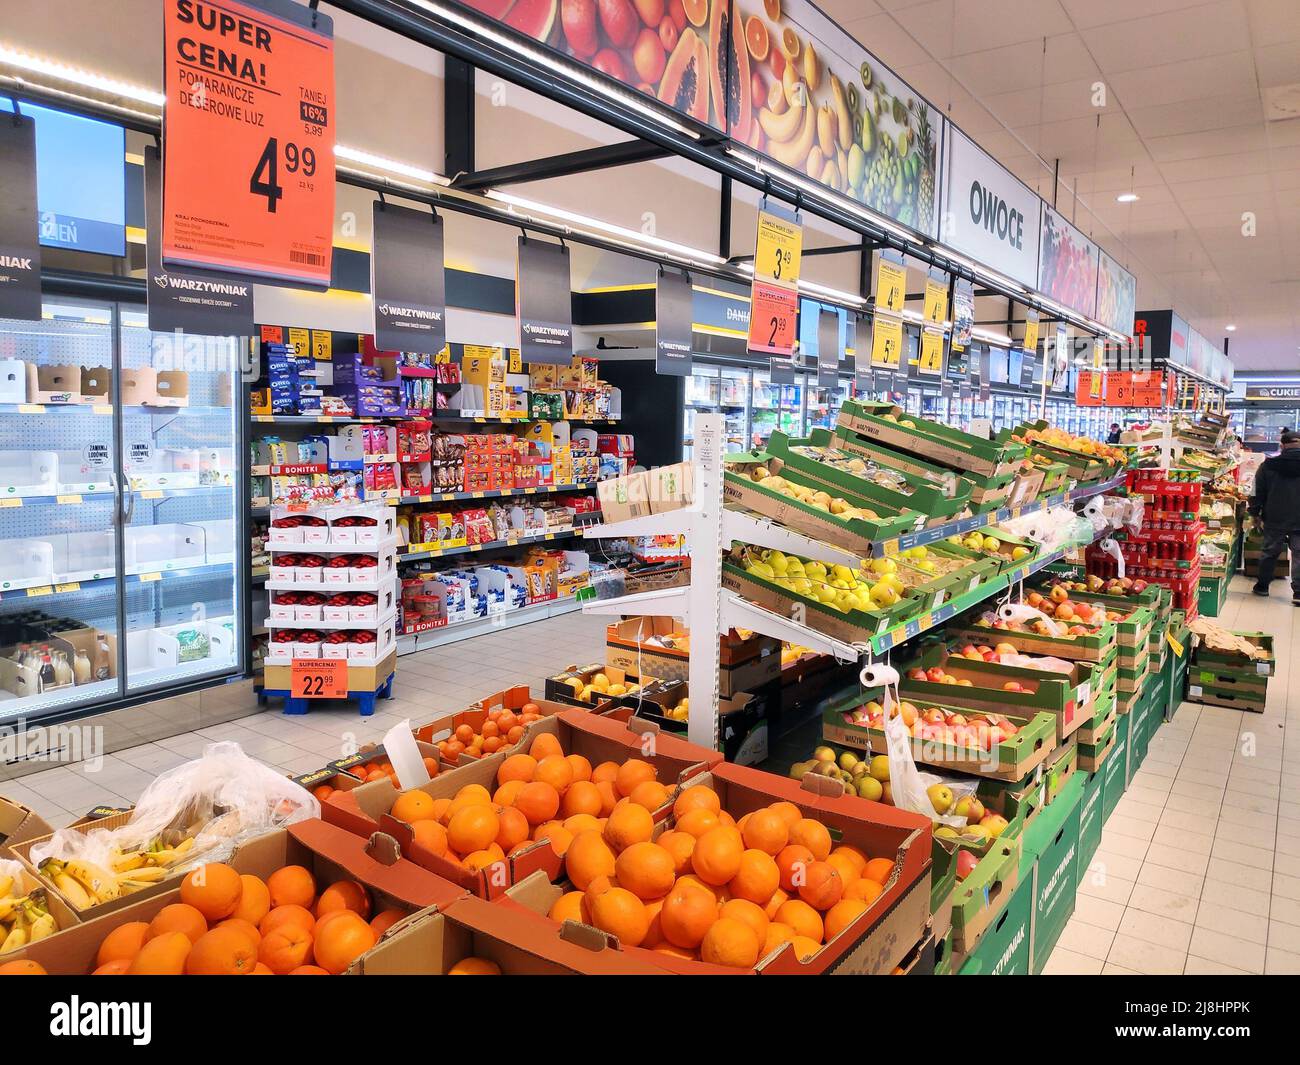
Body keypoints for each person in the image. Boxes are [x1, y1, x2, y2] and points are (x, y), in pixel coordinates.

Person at [1250, 430, 1300, 603]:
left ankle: (1263, 586)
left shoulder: (1269, 465)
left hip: (1274, 515)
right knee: (1299, 554)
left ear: (1283, 445)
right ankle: (1299, 593)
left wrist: (1255, 512)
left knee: (1270, 552)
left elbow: (1257, 491)